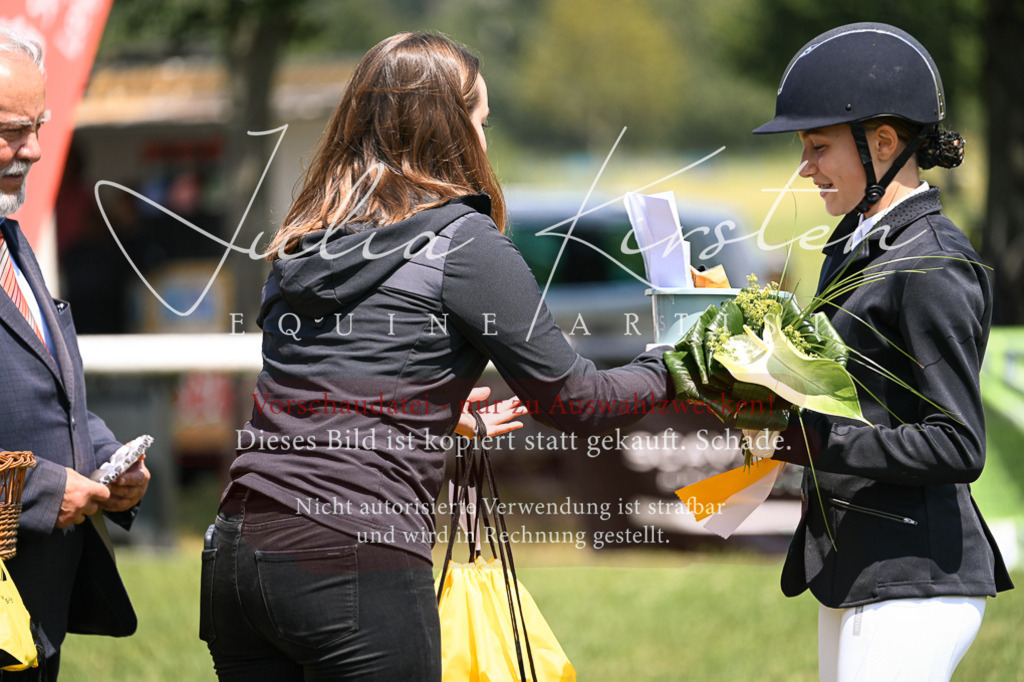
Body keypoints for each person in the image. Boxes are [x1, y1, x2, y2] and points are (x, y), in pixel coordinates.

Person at [200, 31, 676, 680]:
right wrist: (679, 366)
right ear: (449, 130)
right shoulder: (463, 240)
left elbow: (313, 391)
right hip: (352, 555)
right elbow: (573, 399)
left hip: (237, 550)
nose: (485, 141)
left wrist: (418, 408)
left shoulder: (303, 238)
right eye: (479, 121)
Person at [753, 22, 1013, 682]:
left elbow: (957, 445)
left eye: (817, 147)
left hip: (915, 575)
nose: (804, 167)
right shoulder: (857, 245)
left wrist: (823, 443)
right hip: (857, 564)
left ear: (885, 144)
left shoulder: (933, 263)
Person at [0, 25, 151, 681]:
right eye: (9, 130)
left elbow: (42, 389)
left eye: (38, 125)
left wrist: (103, 461)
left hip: (34, 603)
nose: (32, 149)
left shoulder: (11, 238)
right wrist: (34, 493)